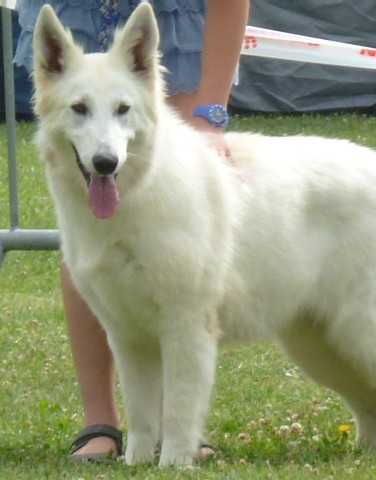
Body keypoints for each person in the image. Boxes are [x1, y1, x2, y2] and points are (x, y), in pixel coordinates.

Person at [15, 0, 250, 461]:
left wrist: (211, 112)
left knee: (176, 267)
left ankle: (179, 431)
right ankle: (102, 422)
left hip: (173, 21)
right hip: (74, 11)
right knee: (91, 252)